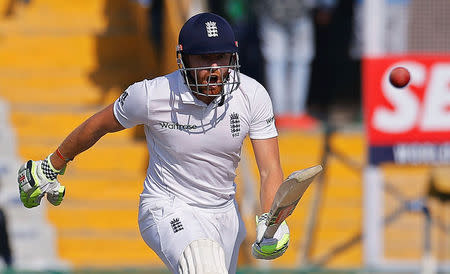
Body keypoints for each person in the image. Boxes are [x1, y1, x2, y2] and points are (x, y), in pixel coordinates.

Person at [17, 13, 290, 273]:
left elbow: (269, 168)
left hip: (225, 215)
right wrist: (52, 164)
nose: (214, 69)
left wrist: (272, 221)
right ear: (184, 60)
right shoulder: (152, 95)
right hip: (168, 206)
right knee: (205, 265)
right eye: (204, 59)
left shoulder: (252, 94)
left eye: (221, 57)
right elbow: (99, 124)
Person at [255, 0, 336, 130]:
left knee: (277, 62)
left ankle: (283, 114)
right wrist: (326, 5)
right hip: (297, 11)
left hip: (273, 10)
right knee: (296, 62)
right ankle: (294, 113)